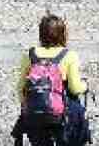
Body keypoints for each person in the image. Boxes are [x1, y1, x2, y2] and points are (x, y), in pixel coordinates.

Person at [11, 13, 89, 146]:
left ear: (41, 34)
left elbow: (20, 87)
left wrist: (25, 106)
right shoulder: (69, 56)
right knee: (78, 118)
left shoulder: (29, 55)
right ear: (63, 34)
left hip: (35, 114)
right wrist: (85, 86)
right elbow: (75, 89)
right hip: (60, 115)